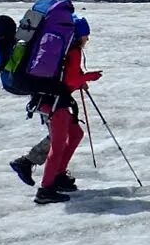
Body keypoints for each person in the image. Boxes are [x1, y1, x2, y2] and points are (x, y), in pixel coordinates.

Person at [31, 16, 102, 205]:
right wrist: (90, 77)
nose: (87, 39)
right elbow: (70, 80)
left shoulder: (65, 51)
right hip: (55, 103)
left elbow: (66, 78)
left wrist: (81, 79)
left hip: (49, 99)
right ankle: (46, 189)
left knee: (76, 133)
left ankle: (59, 175)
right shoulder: (74, 52)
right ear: (80, 35)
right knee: (59, 144)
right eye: (86, 35)